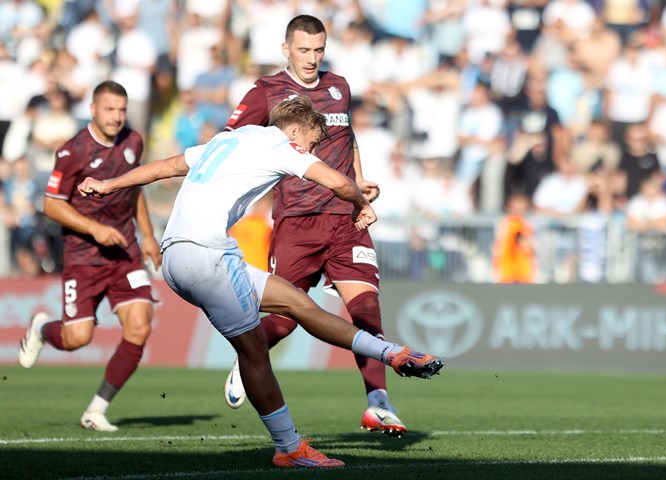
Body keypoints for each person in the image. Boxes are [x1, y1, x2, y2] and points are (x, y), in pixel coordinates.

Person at [76, 96, 445, 468]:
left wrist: (109, 185)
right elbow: (337, 181)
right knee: (254, 353)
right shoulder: (281, 146)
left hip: (182, 255)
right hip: (206, 255)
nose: (312, 151)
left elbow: (165, 167)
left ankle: (392, 353)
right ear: (296, 131)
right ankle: (289, 448)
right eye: (313, 143)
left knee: (298, 304)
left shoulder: (227, 139)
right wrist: (360, 205)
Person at [222, 14, 408, 437]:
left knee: (365, 309)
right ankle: (247, 355)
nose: (312, 58)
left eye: (318, 50)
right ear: (286, 49)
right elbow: (229, 143)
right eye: (303, 50)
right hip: (297, 220)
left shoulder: (338, 86)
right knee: (286, 319)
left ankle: (378, 402)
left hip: (347, 217)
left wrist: (356, 183)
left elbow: (347, 138)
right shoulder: (265, 92)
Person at [18, 81, 161, 432]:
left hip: (124, 251)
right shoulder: (73, 151)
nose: (117, 117)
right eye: (110, 109)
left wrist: (148, 235)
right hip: (84, 257)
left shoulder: (133, 141)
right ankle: (41, 328)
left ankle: (96, 410)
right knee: (77, 338)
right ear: (93, 110)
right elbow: (52, 205)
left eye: (122, 110)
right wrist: (93, 229)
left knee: (139, 326)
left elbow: (135, 189)